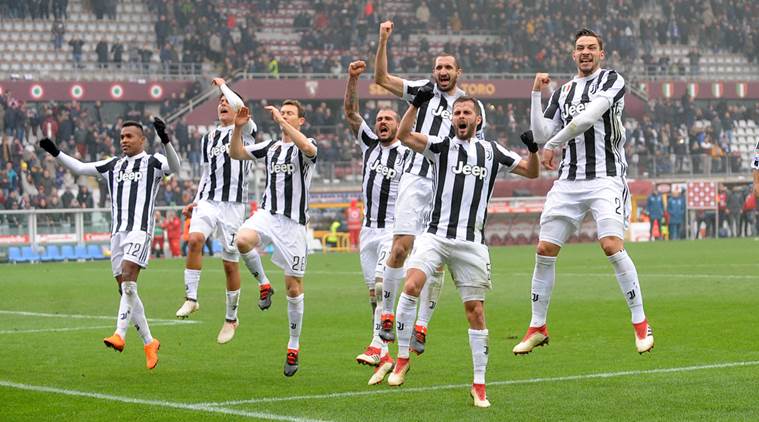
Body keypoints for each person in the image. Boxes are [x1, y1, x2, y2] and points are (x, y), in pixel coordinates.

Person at [388, 91, 539, 408]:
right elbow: (403, 135)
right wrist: (415, 104)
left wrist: (534, 150)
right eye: (456, 113)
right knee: (412, 285)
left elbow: (532, 171)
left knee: (476, 313)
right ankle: (402, 359)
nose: (460, 117)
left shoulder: (492, 151)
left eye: (466, 112)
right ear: (451, 119)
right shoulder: (440, 147)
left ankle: (479, 385)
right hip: (436, 235)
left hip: (471, 242)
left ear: (477, 119)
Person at [515, 28, 654, 356]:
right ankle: (537, 326)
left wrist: (553, 143)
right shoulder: (563, 92)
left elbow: (588, 119)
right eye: (580, 48)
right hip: (569, 180)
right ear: (573, 54)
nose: (586, 52)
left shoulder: (612, 80)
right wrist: (535, 94)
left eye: (592, 47)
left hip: (606, 176)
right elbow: (540, 133)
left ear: (601, 53)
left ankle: (640, 322)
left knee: (610, 244)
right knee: (545, 249)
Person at [373, 20, 487, 354]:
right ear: (433, 71)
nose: (443, 72)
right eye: (438, 67)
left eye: (448, 67)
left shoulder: (469, 106)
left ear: (458, 72)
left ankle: (421, 325)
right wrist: (383, 40)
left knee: (433, 259)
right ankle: (386, 316)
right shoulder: (422, 92)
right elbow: (381, 78)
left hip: (445, 184)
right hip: (414, 176)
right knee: (400, 248)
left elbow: (477, 148)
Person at [38, 118, 181, 369]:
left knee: (129, 279)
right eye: (122, 136)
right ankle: (149, 342)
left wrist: (165, 139)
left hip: (139, 230)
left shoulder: (153, 162)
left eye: (129, 136)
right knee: (126, 290)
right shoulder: (112, 165)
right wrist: (56, 152)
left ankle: (119, 334)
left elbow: (176, 167)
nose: (124, 140)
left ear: (142, 139)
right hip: (117, 234)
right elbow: (80, 168)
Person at [174, 78, 271, 346]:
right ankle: (191, 298)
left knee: (229, 264)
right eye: (220, 102)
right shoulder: (209, 137)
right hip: (208, 200)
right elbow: (206, 173)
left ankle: (231, 318)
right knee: (194, 239)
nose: (222, 104)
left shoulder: (246, 129)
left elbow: (239, 105)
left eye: (227, 101)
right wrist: (195, 200)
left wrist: (224, 86)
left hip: (233, 205)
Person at [229, 99, 318, 377]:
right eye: (283, 112)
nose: (285, 115)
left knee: (293, 288)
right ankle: (264, 284)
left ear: (300, 121)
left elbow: (308, 149)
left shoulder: (307, 144)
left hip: (293, 224)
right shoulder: (270, 147)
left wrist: (281, 122)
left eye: (291, 113)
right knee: (241, 240)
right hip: (268, 214)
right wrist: (237, 128)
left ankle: (293, 345)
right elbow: (236, 153)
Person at [344, 60, 410, 385]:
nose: (382, 122)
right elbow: (351, 113)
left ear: (398, 125)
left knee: (384, 284)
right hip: (368, 231)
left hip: (392, 231)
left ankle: (375, 345)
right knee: (374, 296)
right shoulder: (369, 144)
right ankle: (385, 355)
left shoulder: (407, 153)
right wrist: (352, 79)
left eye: (388, 119)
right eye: (380, 119)